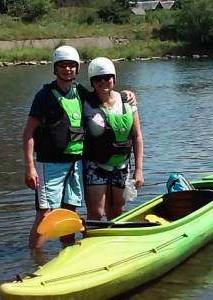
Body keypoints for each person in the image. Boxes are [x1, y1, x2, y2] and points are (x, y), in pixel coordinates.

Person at [22, 46, 137, 249]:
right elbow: (29, 132)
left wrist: (128, 93)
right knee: (45, 213)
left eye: (71, 66)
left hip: (75, 164)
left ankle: (69, 253)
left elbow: (106, 95)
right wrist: (30, 167)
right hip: (50, 164)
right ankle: (35, 261)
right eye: (62, 65)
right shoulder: (44, 96)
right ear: (55, 69)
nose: (67, 69)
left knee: (70, 212)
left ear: (77, 69)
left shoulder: (81, 93)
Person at [81, 57, 144, 221]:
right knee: (96, 212)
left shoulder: (127, 101)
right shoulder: (86, 102)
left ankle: (115, 241)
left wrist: (139, 170)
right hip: (96, 165)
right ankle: (90, 242)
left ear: (114, 78)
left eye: (107, 77)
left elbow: (137, 137)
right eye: (97, 79)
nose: (103, 82)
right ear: (92, 82)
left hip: (121, 165)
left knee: (118, 210)